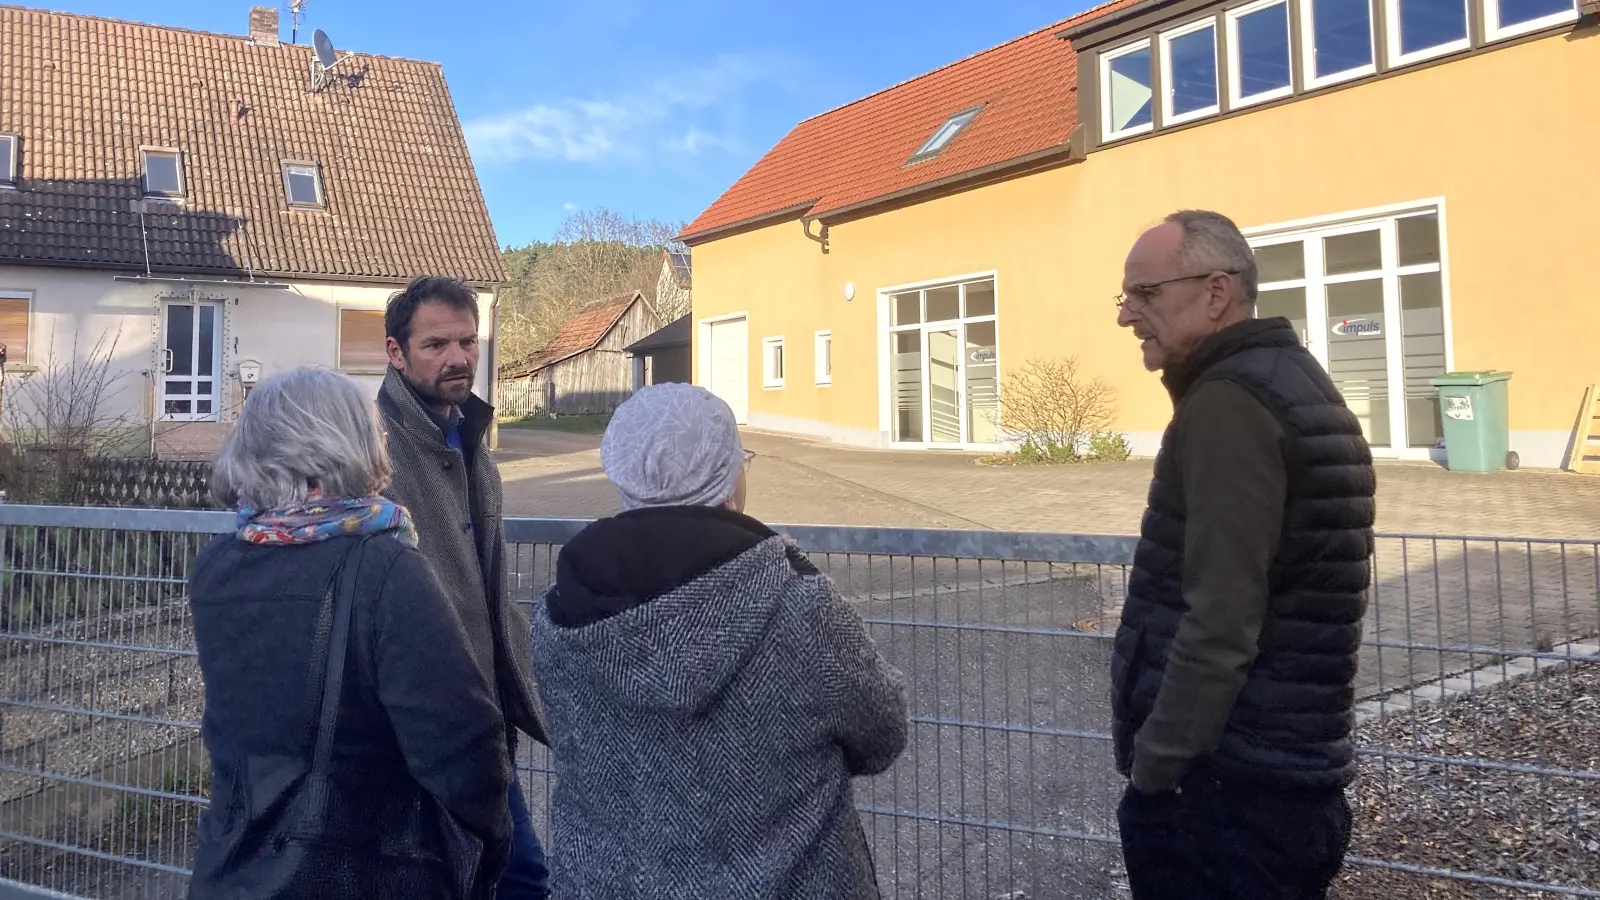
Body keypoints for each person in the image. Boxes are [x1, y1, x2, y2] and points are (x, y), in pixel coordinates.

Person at [531, 382, 908, 900]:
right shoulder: (799, 607)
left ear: (624, 478)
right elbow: (882, 735)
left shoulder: (562, 616)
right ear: (728, 483)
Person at [1110, 210, 1376, 899]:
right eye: (1126, 296)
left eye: (1145, 294)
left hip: (1227, 792)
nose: (1127, 316)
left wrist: (1155, 771)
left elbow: (1220, 622)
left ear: (1216, 292)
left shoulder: (1230, 403)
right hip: (1280, 775)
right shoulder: (1290, 380)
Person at [188, 367, 511, 899]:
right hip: (362, 866)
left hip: (234, 863)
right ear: (354, 442)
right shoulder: (385, 565)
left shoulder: (218, 565)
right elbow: (461, 741)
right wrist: (488, 848)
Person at [377, 275, 550, 897]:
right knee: (512, 872)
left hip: (480, 707)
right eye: (436, 345)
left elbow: (484, 582)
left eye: (468, 342)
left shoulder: (469, 435)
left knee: (504, 870)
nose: (458, 359)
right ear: (396, 353)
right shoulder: (377, 447)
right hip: (423, 714)